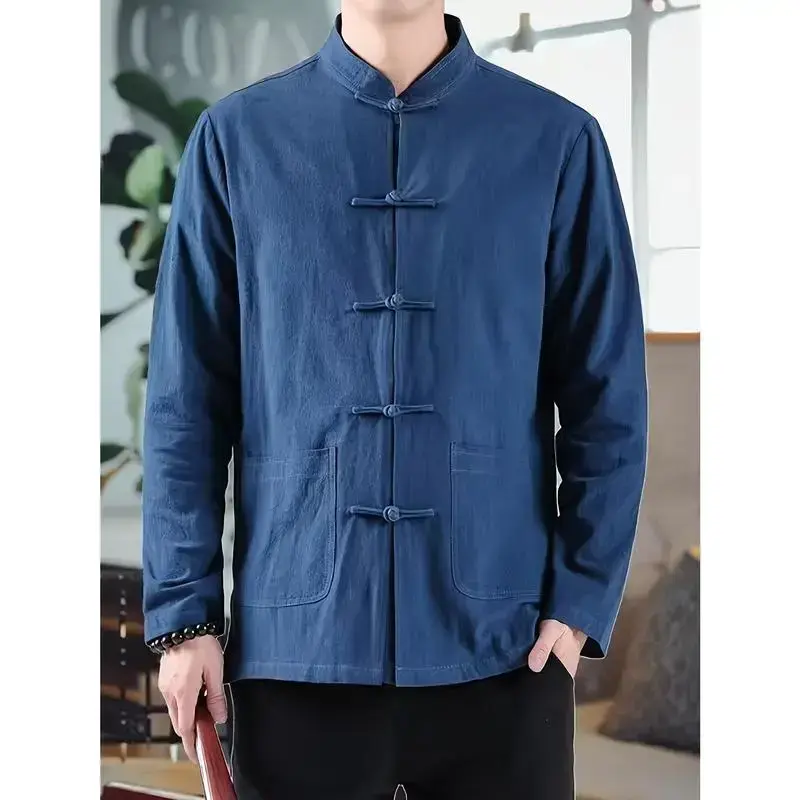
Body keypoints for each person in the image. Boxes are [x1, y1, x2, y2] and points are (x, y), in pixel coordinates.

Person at [142, 1, 648, 798]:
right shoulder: (236, 141)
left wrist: (581, 598)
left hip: (506, 650)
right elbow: (185, 404)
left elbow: (607, 396)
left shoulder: (557, 141)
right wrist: (186, 620)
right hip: (296, 649)